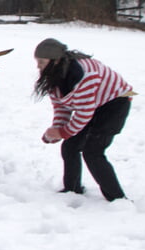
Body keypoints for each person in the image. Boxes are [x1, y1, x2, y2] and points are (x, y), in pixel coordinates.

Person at [34, 38, 133, 201]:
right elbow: (61, 106)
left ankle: (117, 199)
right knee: (70, 146)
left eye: (42, 62)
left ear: (56, 60)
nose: (38, 66)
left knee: (93, 151)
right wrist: (57, 130)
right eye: (37, 62)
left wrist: (62, 132)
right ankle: (72, 190)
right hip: (94, 103)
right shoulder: (54, 75)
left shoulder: (83, 76)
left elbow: (83, 114)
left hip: (116, 101)